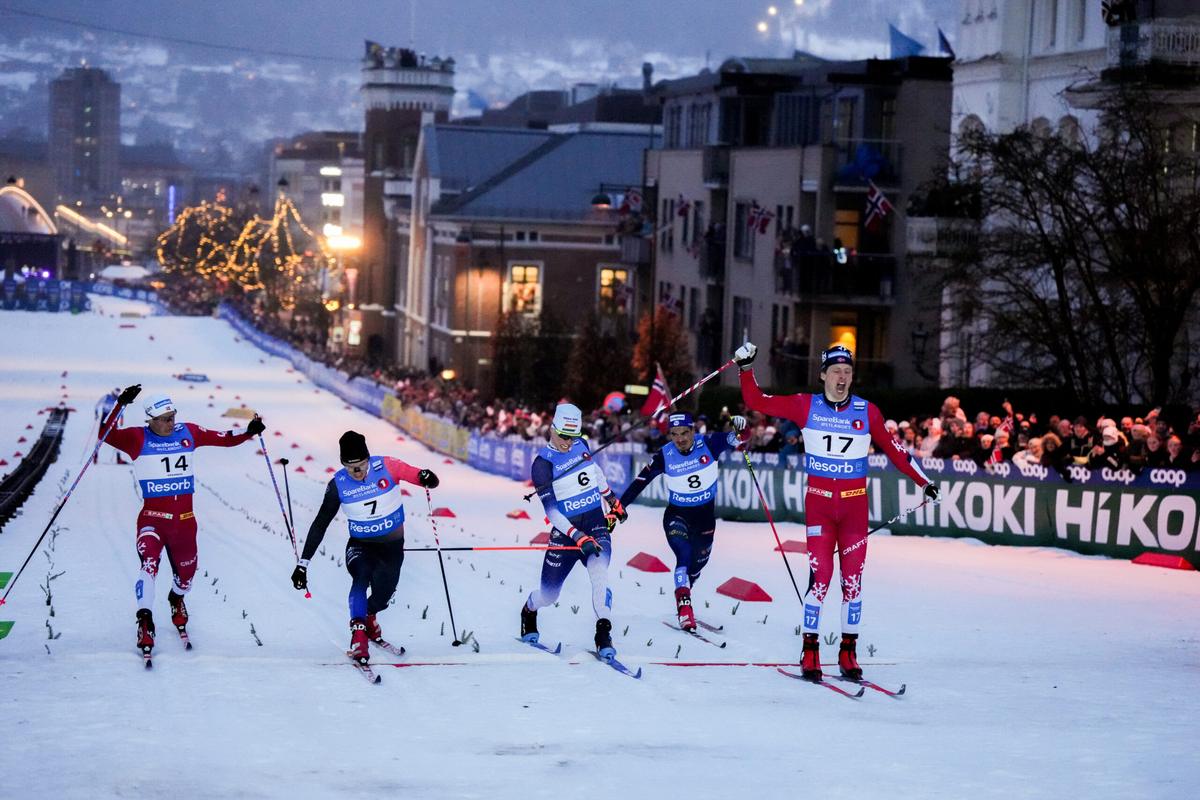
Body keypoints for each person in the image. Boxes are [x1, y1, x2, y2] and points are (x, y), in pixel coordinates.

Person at [733, 342, 938, 682]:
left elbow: (897, 452)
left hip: (855, 507)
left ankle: (848, 651)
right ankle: (810, 649)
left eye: (848, 372)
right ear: (823, 374)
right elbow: (758, 402)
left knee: (853, 583)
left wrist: (924, 482)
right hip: (820, 505)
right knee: (821, 581)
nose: (842, 379)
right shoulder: (805, 406)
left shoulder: (867, 411)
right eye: (836, 372)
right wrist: (745, 369)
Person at [100, 384, 264, 660]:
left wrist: (249, 432)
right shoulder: (137, 438)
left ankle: (176, 598)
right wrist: (120, 405)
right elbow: (106, 435)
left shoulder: (188, 432)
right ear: (150, 419)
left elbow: (223, 438)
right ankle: (145, 621)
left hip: (185, 523)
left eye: (172, 416)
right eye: (164, 419)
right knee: (149, 565)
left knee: (187, 577)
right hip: (152, 520)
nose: (170, 423)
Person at [289, 431, 439, 666]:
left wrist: (426, 477)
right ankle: (358, 636)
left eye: (360, 466)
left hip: (391, 547)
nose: (357, 473)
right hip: (360, 545)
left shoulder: (388, 466)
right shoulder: (338, 484)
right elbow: (320, 523)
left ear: (368, 459)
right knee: (360, 577)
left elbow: (421, 477)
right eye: (351, 468)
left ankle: (370, 616)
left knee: (383, 596)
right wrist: (303, 563)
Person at [618, 411, 750, 630]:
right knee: (684, 556)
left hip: (705, 519)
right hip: (677, 516)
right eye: (674, 434)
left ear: (693, 431)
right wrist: (620, 507)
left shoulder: (710, 443)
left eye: (684, 433)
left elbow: (741, 438)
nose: (680, 439)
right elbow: (641, 481)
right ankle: (684, 608)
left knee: (696, 566)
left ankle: (685, 588)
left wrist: (742, 428)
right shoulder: (664, 454)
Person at [520, 403, 627, 661]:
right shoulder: (542, 465)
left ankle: (603, 633)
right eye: (564, 436)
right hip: (566, 532)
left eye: (574, 436)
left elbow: (596, 473)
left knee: (599, 572)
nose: (569, 442)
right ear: (553, 429)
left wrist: (612, 500)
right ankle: (529, 611)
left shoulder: (581, 445)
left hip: (595, 522)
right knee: (549, 594)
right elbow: (552, 513)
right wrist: (578, 537)